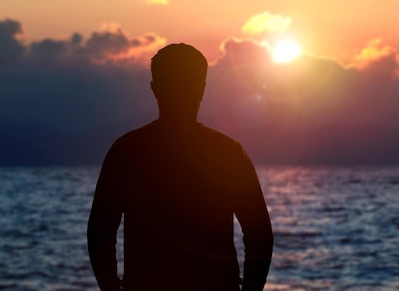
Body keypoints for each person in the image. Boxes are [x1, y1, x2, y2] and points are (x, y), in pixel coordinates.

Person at [87, 43, 273, 291]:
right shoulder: (228, 152)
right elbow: (259, 235)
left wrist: (111, 287)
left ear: (155, 89)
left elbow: (100, 233)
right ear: (202, 90)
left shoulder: (126, 151)